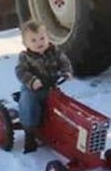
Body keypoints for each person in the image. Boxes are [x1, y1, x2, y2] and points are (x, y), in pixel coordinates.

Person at [15, 20, 73, 153]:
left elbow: (64, 62)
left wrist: (66, 72)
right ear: (25, 43)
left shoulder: (55, 52)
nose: (39, 43)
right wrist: (32, 81)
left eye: (42, 38)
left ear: (48, 37)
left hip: (51, 88)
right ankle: (29, 134)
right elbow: (20, 71)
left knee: (62, 105)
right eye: (33, 40)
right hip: (33, 90)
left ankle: (61, 129)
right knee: (30, 105)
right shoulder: (25, 57)